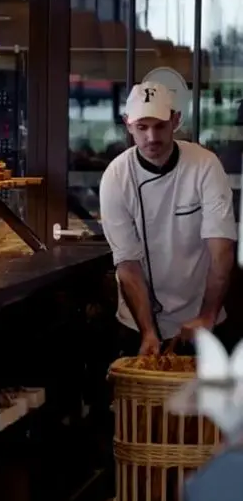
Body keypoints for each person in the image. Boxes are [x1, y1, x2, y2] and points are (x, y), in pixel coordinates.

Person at [99, 82, 237, 356]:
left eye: (160, 126)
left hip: (201, 316)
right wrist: (148, 332)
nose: (151, 137)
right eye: (142, 127)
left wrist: (207, 315)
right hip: (137, 322)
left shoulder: (204, 165)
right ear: (128, 125)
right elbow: (127, 263)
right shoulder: (116, 177)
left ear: (176, 120)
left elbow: (221, 250)